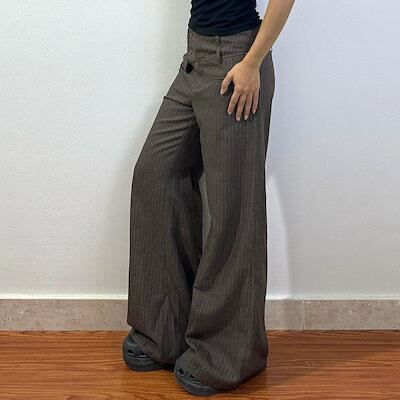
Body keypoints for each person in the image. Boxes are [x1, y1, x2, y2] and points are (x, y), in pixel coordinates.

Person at [122, 0, 295, 396]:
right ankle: (165, 329)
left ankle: (229, 354)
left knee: (234, 209)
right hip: (196, 57)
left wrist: (252, 62)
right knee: (155, 175)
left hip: (237, 62)